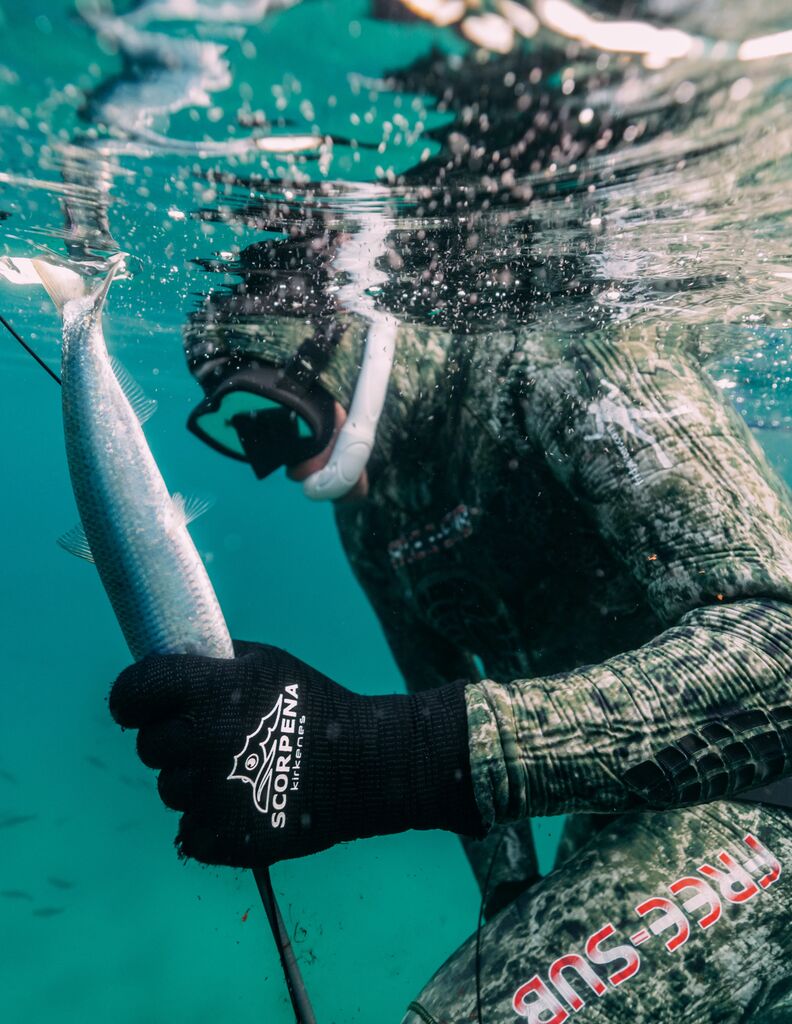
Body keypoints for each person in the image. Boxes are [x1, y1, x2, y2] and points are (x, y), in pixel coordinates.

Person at [109, 9, 792, 1023]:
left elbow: (781, 651)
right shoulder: (371, 516)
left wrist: (376, 755)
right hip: (640, 804)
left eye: (269, 413)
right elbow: (439, 683)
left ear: (333, 344)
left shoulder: (569, 364)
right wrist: (509, 896)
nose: (269, 463)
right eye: (236, 433)